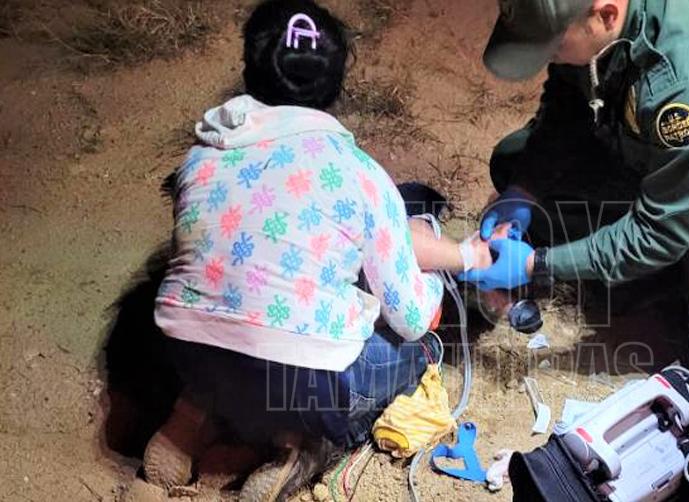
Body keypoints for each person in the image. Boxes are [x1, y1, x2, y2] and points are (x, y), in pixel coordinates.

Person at [141, 1, 490, 499]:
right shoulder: (361, 176)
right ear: (335, 84)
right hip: (303, 387)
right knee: (417, 349)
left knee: (232, 328)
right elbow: (412, 318)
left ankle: (190, 415)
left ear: (248, 68)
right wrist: (446, 268)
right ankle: (299, 446)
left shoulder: (200, 158)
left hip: (189, 354)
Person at [462, 0, 689, 420]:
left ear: (605, 15)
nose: (549, 58)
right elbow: (569, 100)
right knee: (514, 163)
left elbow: (659, 233)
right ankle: (668, 269)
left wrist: (539, 264)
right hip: (665, 151)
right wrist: (523, 191)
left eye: (554, 46)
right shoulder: (599, 21)